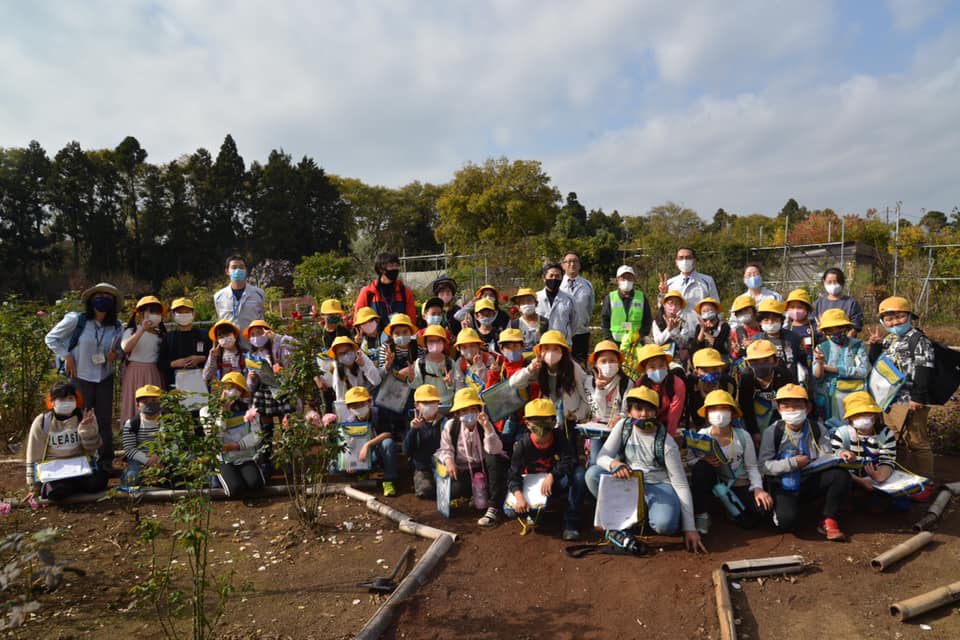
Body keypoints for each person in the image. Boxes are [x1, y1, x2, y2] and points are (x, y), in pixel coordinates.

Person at [585, 387, 706, 552]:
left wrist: (689, 528)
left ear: (656, 413)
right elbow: (601, 457)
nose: (644, 414)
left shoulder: (666, 443)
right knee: (593, 475)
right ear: (629, 412)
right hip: (629, 480)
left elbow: (681, 484)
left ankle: (644, 517)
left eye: (649, 409)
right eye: (638, 409)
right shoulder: (624, 427)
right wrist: (614, 465)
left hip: (658, 485)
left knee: (665, 526)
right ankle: (625, 517)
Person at [44, 282, 124, 472]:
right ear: (91, 300)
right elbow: (51, 338)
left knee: (104, 421)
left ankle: (105, 462)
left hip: (104, 377)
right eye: (99, 295)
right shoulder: (76, 320)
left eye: (108, 296)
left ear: (113, 302)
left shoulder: (116, 326)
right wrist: (67, 355)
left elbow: (122, 349)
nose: (103, 299)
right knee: (80, 419)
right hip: (80, 376)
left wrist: (116, 355)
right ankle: (81, 461)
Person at [758, 384, 852, 541]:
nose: (792, 410)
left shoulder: (817, 428)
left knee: (840, 476)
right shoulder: (773, 432)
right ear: (779, 410)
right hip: (784, 483)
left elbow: (826, 454)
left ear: (808, 408)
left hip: (810, 479)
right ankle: (785, 508)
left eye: (797, 406)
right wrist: (792, 463)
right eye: (786, 406)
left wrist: (841, 454)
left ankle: (828, 518)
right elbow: (764, 465)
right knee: (787, 523)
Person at [868, 296, 936, 496]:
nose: (894, 322)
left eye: (899, 317)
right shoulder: (890, 339)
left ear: (909, 317)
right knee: (894, 439)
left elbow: (925, 369)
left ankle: (926, 482)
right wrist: (875, 346)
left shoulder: (918, 339)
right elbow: (878, 365)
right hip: (890, 400)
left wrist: (918, 397)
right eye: (889, 319)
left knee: (917, 441)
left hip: (910, 400)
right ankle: (903, 477)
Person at [689, 390, 772, 535]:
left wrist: (758, 488)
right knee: (700, 468)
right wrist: (704, 460)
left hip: (739, 484)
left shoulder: (743, 436)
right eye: (714, 409)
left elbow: (752, 466)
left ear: (733, 413)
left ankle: (731, 509)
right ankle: (702, 514)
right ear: (707, 414)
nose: (719, 413)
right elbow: (690, 460)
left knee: (761, 512)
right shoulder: (702, 435)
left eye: (724, 408)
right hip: (713, 481)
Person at [504, 398, 586, 541]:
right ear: (527, 424)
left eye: (546, 420)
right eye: (536, 420)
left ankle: (571, 523)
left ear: (554, 421)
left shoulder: (558, 436)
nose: (541, 425)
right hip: (532, 488)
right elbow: (513, 475)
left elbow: (571, 458)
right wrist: (519, 497)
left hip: (555, 483)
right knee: (510, 511)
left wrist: (552, 475)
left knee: (579, 474)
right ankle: (535, 513)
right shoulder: (522, 446)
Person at [436, 387, 508, 527]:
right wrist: (449, 461)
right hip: (463, 470)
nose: (469, 414)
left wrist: (487, 428)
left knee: (494, 458)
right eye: (464, 410)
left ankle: (494, 507)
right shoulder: (451, 426)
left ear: (478, 410)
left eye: (472, 409)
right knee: (454, 491)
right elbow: (445, 449)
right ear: (457, 413)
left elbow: (495, 449)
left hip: (484, 469)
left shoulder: (485, 423)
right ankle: (473, 495)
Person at [508, 330, 594, 446]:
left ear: (563, 352)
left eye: (555, 349)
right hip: (547, 420)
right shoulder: (539, 367)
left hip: (568, 422)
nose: (550, 353)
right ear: (540, 352)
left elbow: (587, 397)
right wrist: (530, 369)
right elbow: (514, 383)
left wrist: (577, 415)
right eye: (546, 349)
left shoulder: (572, 368)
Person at [24, 381, 108, 500]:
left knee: (99, 481)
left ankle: (73, 486)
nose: (67, 402)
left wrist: (87, 429)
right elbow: (33, 454)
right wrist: (33, 487)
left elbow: (92, 448)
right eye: (61, 399)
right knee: (57, 491)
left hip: (80, 467)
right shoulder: (42, 422)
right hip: (55, 471)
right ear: (52, 402)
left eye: (70, 398)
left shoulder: (83, 417)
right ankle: (63, 487)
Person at [831, 391, 899, 510]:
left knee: (880, 506)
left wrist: (880, 476)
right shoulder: (842, 433)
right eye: (858, 414)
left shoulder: (886, 433)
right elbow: (834, 462)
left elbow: (888, 460)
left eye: (868, 413)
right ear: (850, 418)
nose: (863, 417)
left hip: (875, 480)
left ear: (875, 415)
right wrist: (860, 481)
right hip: (850, 478)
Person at [202, 371, 264, 498]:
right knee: (234, 490)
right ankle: (215, 476)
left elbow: (257, 435)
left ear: (242, 393)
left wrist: (237, 445)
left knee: (256, 484)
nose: (233, 391)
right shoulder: (207, 411)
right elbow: (214, 436)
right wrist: (223, 412)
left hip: (244, 455)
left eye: (238, 389)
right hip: (223, 459)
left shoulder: (248, 410)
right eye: (229, 386)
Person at [244, 319, 293, 474]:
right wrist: (251, 378)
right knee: (266, 428)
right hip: (262, 392)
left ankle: (288, 459)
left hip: (280, 388)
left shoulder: (278, 346)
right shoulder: (251, 355)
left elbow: (293, 344)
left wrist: (275, 337)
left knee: (286, 423)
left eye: (259, 332)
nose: (256, 337)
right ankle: (266, 460)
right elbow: (250, 386)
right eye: (253, 334)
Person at [812, 309, 869, 422]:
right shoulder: (822, 347)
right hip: (831, 396)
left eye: (839, 328)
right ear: (825, 332)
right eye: (830, 330)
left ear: (846, 327)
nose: (835, 332)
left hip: (855, 394)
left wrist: (834, 369)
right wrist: (819, 363)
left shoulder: (857, 345)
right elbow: (817, 375)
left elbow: (864, 371)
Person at [120, 296, 169, 425]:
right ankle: (132, 435)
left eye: (158, 312)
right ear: (140, 313)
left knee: (154, 405)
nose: (155, 315)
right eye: (151, 311)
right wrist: (142, 329)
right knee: (135, 405)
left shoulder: (161, 336)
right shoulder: (132, 331)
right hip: (134, 373)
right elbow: (126, 347)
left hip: (154, 373)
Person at [738, 339, 796, 445]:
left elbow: (790, 402)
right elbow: (746, 407)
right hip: (754, 418)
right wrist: (754, 432)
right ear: (747, 363)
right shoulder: (747, 377)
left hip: (779, 416)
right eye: (755, 361)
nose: (760, 365)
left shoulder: (784, 375)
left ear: (775, 361)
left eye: (765, 360)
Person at [484, 328, 533, 451]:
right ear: (501, 350)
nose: (512, 350)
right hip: (505, 419)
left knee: (521, 448)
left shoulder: (529, 367)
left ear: (523, 346)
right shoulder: (500, 369)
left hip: (525, 420)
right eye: (508, 347)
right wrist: (493, 374)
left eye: (516, 346)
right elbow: (490, 395)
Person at [348, 386, 399, 497]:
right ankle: (362, 472)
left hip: (378, 453)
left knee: (388, 443)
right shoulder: (350, 422)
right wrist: (349, 461)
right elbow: (348, 445)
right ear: (348, 408)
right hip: (361, 458)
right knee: (334, 467)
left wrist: (367, 445)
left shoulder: (379, 414)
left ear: (370, 402)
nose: (359, 408)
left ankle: (389, 480)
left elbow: (388, 433)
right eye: (354, 406)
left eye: (362, 404)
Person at [353, 251, 417, 332]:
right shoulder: (368, 292)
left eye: (396, 266)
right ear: (381, 269)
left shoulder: (405, 292)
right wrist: (364, 333)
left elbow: (412, 320)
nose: (395, 269)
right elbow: (358, 319)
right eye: (391, 266)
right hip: (375, 340)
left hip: (398, 339)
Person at [601, 265, 653, 361]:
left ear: (634, 279)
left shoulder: (641, 297)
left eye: (629, 277)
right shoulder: (610, 297)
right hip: (615, 343)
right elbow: (605, 321)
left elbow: (647, 320)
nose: (626, 280)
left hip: (636, 344)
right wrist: (609, 340)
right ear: (617, 280)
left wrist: (641, 336)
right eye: (623, 278)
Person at [634, 344, 686, 438]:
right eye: (652, 367)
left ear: (667, 365)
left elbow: (674, 414)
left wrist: (667, 438)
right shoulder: (639, 384)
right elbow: (636, 411)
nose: (658, 370)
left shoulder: (677, 384)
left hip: (666, 424)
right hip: (644, 422)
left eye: (662, 365)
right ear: (645, 370)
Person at [404, 384, 445, 499]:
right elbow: (407, 450)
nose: (430, 405)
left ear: (438, 403)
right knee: (426, 490)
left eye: (433, 402)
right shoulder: (413, 423)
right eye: (425, 403)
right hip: (422, 467)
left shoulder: (445, 422)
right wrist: (413, 430)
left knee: (455, 490)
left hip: (442, 466)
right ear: (417, 405)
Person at [213, 255, 265, 343]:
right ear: (227, 271)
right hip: (230, 348)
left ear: (246, 271)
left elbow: (261, 318)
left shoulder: (259, 294)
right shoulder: (218, 296)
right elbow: (220, 321)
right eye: (234, 267)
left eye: (241, 267)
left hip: (253, 347)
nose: (238, 270)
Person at [121, 384, 164, 487]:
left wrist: (160, 457)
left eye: (154, 401)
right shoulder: (132, 423)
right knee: (132, 479)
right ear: (137, 405)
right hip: (139, 458)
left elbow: (174, 444)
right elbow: (129, 449)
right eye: (145, 402)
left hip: (164, 457)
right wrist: (148, 460)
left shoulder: (169, 420)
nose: (150, 404)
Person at [166, 297, 211, 392]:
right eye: (179, 312)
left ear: (193, 314)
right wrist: (174, 363)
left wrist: (201, 358)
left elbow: (215, 356)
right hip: (175, 385)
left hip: (201, 383)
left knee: (202, 407)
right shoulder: (168, 337)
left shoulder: (204, 334)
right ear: (173, 315)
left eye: (186, 312)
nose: (183, 315)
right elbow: (160, 363)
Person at [686, 348, 738, 429]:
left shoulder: (728, 384)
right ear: (696, 372)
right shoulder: (691, 384)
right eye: (705, 370)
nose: (711, 373)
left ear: (721, 368)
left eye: (714, 369)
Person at [755, 299, 805, 381]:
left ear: (782, 320)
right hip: (766, 383)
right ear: (760, 322)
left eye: (775, 319)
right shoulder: (756, 340)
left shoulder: (793, 337)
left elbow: (803, 360)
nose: (770, 322)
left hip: (790, 384)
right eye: (766, 320)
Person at [587, 340, 634, 425]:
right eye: (603, 361)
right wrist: (599, 389)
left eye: (612, 361)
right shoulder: (589, 383)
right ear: (595, 364)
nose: (608, 364)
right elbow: (599, 413)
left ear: (619, 363)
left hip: (617, 427)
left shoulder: (626, 383)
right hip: (593, 428)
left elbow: (627, 410)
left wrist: (620, 417)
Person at [561, 251, 595, 363]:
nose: (572, 264)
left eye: (575, 261)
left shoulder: (587, 285)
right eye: (569, 261)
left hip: (581, 333)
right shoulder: (558, 284)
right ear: (563, 265)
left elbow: (590, 307)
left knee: (581, 366)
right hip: (562, 334)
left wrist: (584, 321)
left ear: (579, 265)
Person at [650, 290, 697, 368]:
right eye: (671, 303)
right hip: (660, 358)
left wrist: (675, 330)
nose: (674, 306)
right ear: (664, 304)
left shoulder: (683, 323)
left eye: (677, 303)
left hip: (677, 359)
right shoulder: (657, 322)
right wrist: (668, 329)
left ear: (680, 307)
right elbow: (658, 341)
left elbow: (683, 343)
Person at [412, 326, 456, 410]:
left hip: (447, 403)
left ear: (444, 342)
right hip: (427, 403)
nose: (435, 344)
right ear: (426, 343)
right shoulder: (421, 362)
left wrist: (450, 383)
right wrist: (411, 379)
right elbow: (417, 385)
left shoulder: (450, 362)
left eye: (438, 340)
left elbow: (454, 386)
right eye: (431, 341)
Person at [729, 263, 782, 330]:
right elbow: (734, 322)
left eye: (756, 274)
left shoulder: (774, 297)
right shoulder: (739, 299)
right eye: (749, 275)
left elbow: (784, 317)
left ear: (761, 276)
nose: (753, 277)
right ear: (744, 279)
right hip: (746, 337)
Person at [536, 262, 579, 344]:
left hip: (563, 344)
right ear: (544, 278)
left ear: (562, 278)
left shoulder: (570, 299)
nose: (554, 279)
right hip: (541, 344)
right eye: (551, 276)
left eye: (557, 276)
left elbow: (574, 323)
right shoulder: (535, 298)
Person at [328, 336, 382, 402]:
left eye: (347, 351)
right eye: (341, 354)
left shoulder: (362, 357)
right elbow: (341, 398)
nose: (345, 355)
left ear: (353, 350)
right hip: (353, 402)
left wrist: (363, 365)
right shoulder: (338, 370)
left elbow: (376, 381)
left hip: (372, 395)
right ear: (337, 357)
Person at [812, 268, 864, 335]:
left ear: (842, 283)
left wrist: (848, 338)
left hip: (846, 342)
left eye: (835, 282)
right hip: (823, 342)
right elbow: (812, 323)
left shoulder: (851, 303)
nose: (832, 285)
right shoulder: (818, 303)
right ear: (824, 282)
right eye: (829, 282)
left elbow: (857, 323)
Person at [452, 327, 495, 392]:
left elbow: (491, 382)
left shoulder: (488, 358)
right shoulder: (460, 363)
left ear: (478, 346)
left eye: (472, 345)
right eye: (464, 347)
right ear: (459, 349)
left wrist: (479, 366)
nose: (469, 350)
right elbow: (459, 386)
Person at [785, 289, 819, 370]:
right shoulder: (786, 328)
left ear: (807, 309)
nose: (796, 310)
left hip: (813, 365)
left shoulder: (815, 326)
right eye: (792, 307)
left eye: (800, 307)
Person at [729, 295, 762, 364]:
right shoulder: (736, 332)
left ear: (753, 310)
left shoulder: (764, 328)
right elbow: (734, 357)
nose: (743, 313)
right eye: (740, 312)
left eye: (746, 310)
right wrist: (737, 351)